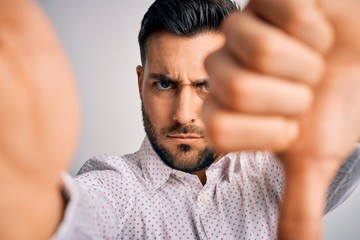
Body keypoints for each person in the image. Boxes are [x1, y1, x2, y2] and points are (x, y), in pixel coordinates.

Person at [0, 0, 359, 240]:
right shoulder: (117, 188)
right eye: (165, 84)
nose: (184, 114)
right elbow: (74, 216)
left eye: (205, 85)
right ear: (140, 83)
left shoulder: (281, 170)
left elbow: (344, 136)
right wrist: (28, 202)